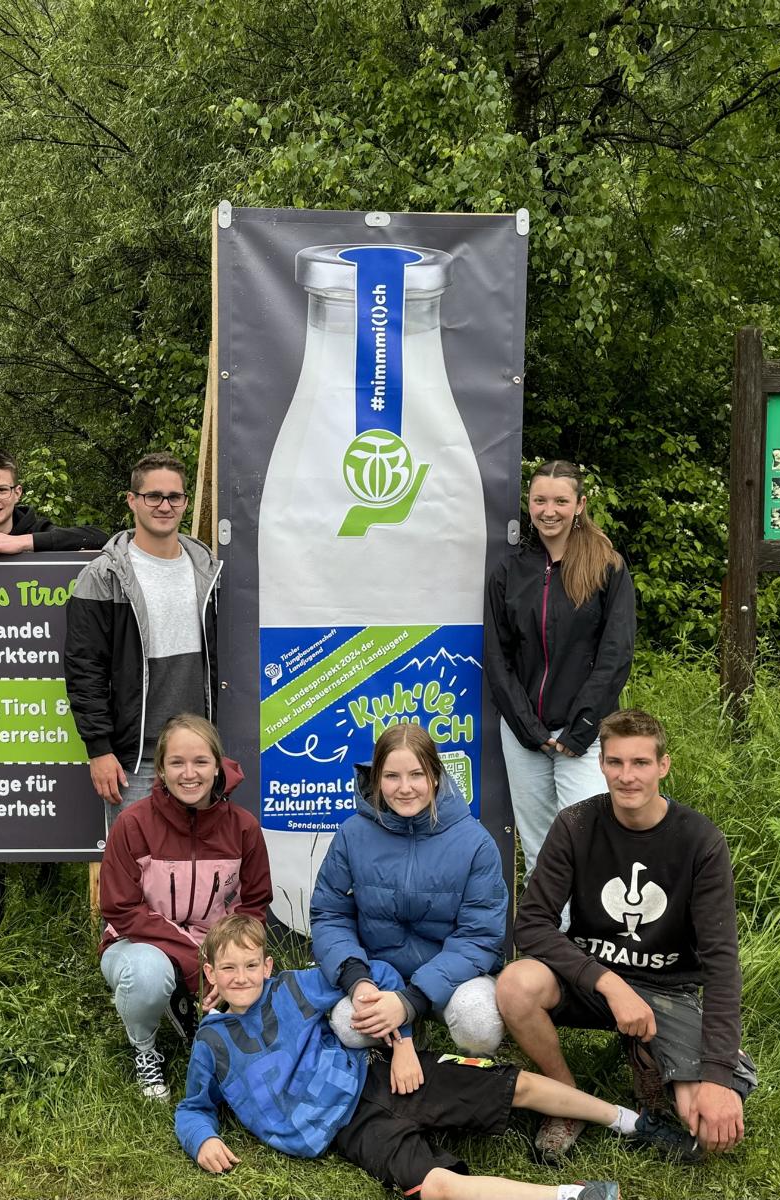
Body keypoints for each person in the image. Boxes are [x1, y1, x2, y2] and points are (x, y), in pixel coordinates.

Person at [176, 913, 645, 1200]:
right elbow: (193, 1107)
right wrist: (202, 1140)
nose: (242, 977)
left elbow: (376, 972)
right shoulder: (211, 1044)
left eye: (251, 965)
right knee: (437, 1188)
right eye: (229, 968)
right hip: (353, 1133)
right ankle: (572, 1196)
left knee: (511, 1083)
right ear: (211, 972)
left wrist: (401, 1040)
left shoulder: (295, 986)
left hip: (379, 1077)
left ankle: (631, 1122)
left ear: (268, 965)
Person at [495, 709, 756, 1165]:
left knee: (703, 1126)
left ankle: (666, 1059)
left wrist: (716, 1076)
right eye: (615, 763)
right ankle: (566, 1098)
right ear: (600, 766)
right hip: (593, 982)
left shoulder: (699, 841)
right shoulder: (576, 825)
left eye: (639, 763)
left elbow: (721, 963)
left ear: (663, 766)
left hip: (667, 987)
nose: (626, 776)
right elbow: (531, 923)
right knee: (516, 985)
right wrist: (609, 983)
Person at [97, 715, 270, 1100]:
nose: (188, 774)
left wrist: (232, 962)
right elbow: (120, 909)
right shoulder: (132, 824)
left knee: (253, 1031)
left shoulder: (243, 827)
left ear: (217, 765)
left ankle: (196, 1015)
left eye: (200, 762)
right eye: (176, 762)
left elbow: (254, 905)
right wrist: (197, 961)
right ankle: (145, 1049)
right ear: (161, 769)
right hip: (137, 943)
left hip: (214, 948)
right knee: (147, 974)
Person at [310, 723, 508, 1058]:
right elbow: (330, 914)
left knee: (480, 1022)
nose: (405, 788)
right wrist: (358, 980)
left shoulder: (475, 843)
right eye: (391, 776)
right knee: (347, 1025)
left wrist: (411, 1001)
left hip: (452, 980)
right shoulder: (352, 834)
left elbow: (480, 936)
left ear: (434, 775)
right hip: (379, 974)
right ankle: (389, 1068)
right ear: (376, 778)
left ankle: (467, 1082)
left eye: (416, 774)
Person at [484, 460, 637, 873]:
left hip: (584, 735)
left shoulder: (609, 567)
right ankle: (550, 939)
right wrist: (528, 729)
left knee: (588, 847)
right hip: (524, 737)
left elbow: (615, 654)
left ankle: (587, 939)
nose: (549, 510)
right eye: (539, 500)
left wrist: (582, 728)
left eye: (560, 501)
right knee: (539, 853)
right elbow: (498, 658)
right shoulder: (509, 572)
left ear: (580, 504)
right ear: (529, 505)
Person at [64, 451, 219, 829]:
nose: (164, 506)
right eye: (153, 496)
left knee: (197, 872)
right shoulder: (103, 575)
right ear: (133, 500)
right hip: (135, 759)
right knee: (133, 874)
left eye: (174, 497)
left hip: (199, 755)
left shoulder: (209, 570)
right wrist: (99, 749)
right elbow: (85, 669)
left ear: (185, 502)